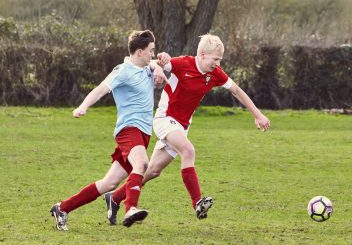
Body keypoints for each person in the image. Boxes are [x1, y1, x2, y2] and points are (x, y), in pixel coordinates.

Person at [104, 33, 271, 224]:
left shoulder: (215, 73)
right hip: (165, 119)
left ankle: (114, 198)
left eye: (219, 60)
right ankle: (197, 202)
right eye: (215, 59)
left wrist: (257, 114)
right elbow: (153, 63)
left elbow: (236, 90)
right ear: (202, 54)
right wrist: (161, 63)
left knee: (152, 172)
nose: (217, 63)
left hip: (182, 126)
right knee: (188, 150)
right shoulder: (183, 63)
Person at [50, 29, 169, 230]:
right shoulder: (122, 71)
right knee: (142, 164)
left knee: (109, 183)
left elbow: (157, 67)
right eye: (150, 50)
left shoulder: (146, 66)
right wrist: (83, 106)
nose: (153, 53)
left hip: (143, 133)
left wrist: (158, 65)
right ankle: (130, 208)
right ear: (139, 52)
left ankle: (62, 208)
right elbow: (101, 89)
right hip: (128, 130)